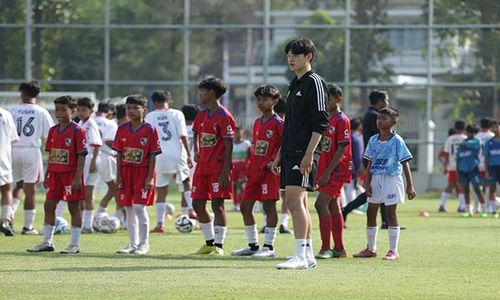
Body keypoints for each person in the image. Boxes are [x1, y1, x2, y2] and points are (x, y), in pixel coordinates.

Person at [273, 38, 329, 270]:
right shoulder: (294, 83)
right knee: (300, 204)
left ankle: (299, 256)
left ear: (309, 57)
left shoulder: (314, 82)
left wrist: (309, 154)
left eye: (296, 54)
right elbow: (290, 124)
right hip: (290, 152)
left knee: (293, 202)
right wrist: (279, 153)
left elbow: (321, 123)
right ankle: (307, 255)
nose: (291, 58)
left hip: (303, 153)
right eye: (288, 55)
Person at [353, 107, 416, 260]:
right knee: (371, 212)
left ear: (394, 121)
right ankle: (371, 248)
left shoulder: (397, 141)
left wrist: (410, 185)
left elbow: (405, 162)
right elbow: (370, 163)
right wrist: (367, 182)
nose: (380, 121)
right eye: (379, 118)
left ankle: (393, 250)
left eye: (384, 118)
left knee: (390, 213)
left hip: (391, 178)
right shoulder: (373, 140)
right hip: (376, 178)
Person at [27, 96, 87, 254]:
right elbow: (51, 154)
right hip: (55, 174)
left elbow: (82, 155)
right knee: (49, 206)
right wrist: (47, 174)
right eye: (57, 110)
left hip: (70, 175)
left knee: (73, 207)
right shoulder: (53, 130)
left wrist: (77, 177)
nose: (59, 113)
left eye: (63, 110)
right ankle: (47, 242)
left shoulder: (77, 130)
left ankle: (74, 245)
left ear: (72, 111)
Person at [231, 84, 283, 258]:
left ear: (275, 101)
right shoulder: (257, 122)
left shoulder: (279, 123)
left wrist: (274, 161)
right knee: (245, 206)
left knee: (269, 207)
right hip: (254, 171)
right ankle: (253, 245)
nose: (261, 103)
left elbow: (285, 145)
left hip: (269, 172)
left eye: (265, 99)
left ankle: (269, 247)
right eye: (258, 99)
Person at [190, 77, 236, 256]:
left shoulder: (224, 116)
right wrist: (196, 149)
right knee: (197, 204)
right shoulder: (201, 114)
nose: (200, 94)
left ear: (211, 93)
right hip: (202, 167)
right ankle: (209, 242)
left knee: (218, 205)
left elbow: (228, 145)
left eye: (202, 91)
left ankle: (219, 245)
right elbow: (195, 133)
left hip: (218, 168)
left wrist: (226, 171)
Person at [114, 95, 161, 255]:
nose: (131, 111)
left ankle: (144, 244)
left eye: (135, 108)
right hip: (126, 173)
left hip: (143, 172)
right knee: (128, 208)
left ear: (144, 110)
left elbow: (153, 154)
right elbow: (119, 154)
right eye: (129, 108)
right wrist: (118, 175)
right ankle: (132, 244)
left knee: (139, 207)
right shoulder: (122, 129)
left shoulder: (150, 129)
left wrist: (149, 177)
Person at [341, 90, 392, 229]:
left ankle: (385, 221)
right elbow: (380, 139)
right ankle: (346, 210)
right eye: (386, 99)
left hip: (374, 158)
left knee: (379, 189)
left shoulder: (371, 115)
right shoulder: (375, 116)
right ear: (380, 101)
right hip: (376, 158)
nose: (387, 102)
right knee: (376, 189)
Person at [145, 90, 193, 233]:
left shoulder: (149, 116)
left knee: (161, 190)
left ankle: (160, 224)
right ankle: (189, 213)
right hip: (177, 154)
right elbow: (183, 136)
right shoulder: (177, 113)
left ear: (154, 103)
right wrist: (189, 155)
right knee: (185, 183)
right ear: (169, 101)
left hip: (159, 156)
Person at [10, 81, 54, 235]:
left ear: (22, 93)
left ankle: (8, 216)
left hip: (12, 150)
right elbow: (51, 135)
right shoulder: (41, 111)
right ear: (37, 94)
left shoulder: (12, 110)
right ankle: (28, 227)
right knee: (31, 189)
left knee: (15, 185)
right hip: (31, 150)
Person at [314, 84, 351, 259]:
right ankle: (339, 248)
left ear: (338, 99)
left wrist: (328, 171)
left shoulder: (342, 120)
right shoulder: (325, 118)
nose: (325, 102)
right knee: (332, 205)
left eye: (328, 99)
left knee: (320, 204)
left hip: (336, 170)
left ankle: (325, 248)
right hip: (327, 168)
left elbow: (342, 148)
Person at [75, 98, 102, 233]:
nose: (81, 112)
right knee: (81, 193)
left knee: (88, 194)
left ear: (91, 111)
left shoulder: (91, 124)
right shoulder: (80, 123)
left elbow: (96, 144)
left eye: (84, 110)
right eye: (79, 109)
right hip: (84, 160)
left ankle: (87, 225)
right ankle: (81, 223)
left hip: (90, 159)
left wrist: (93, 162)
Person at [94, 102, 119, 217]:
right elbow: (109, 141)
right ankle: (101, 211)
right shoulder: (110, 123)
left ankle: (86, 217)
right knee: (114, 187)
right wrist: (121, 150)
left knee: (87, 189)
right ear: (109, 113)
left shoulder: (87, 120)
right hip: (103, 156)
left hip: (86, 156)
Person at [457, 124, 487, 217]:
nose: (468, 134)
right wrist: (458, 171)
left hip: (473, 168)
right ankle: (467, 209)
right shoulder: (462, 143)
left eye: (470, 132)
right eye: (467, 132)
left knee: (477, 188)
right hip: (462, 169)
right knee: (465, 189)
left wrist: (464, 143)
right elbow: (458, 158)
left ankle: (484, 209)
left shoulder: (477, 140)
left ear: (474, 133)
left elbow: (474, 145)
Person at [439, 121, 467, 212]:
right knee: (462, 186)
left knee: (450, 185)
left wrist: (446, 166)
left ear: (455, 128)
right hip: (462, 166)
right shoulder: (465, 138)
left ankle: (442, 205)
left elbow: (446, 153)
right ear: (464, 129)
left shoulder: (450, 139)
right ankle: (461, 206)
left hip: (452, 166)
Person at [274, 96, 292, 234]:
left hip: (270, 164)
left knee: (269, 196)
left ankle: (266, 223)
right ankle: (284, 222)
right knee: (287, 195)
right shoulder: (286, 123)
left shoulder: (269, 121)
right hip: (283, 162)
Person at [0, 107, 19, 236]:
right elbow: (13, 140)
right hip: (3, 158)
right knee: (7, 189)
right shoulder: (6, 114)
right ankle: (5, 220)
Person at [181, 104, 200, 217]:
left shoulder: (181, 129)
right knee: (195, 191)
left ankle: (186, 215)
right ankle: (193, 215)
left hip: (184, 162)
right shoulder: (198, 129)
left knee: (184, 189)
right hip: (197, 162)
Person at [344, 118, 364, 211]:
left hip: (352, 165)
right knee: (352, 185)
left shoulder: (352, 137)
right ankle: (352, 205)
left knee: (351, 186)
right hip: (356, 165)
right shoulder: (358, 137)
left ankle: (351, 205)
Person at [474, 118, 494, 212]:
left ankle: (476, 207)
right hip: (489, 163)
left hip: (478, 163)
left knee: (477, 186)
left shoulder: (477, 136)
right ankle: (488, 207)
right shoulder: (493, 135)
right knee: (490, 186)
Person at [231, 127, 251, 211]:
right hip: (234, 169)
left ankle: (241, 203)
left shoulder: (246, 144)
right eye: (236, 132)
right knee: (234, 186)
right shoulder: (231, 144)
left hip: (243, 169)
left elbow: (250, 156)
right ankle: (236, 204)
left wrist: (248, 167)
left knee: (241, 186)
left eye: (239, 132)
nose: (237, 134)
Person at [484, 120, 500, 218]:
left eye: (496, 127)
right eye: (493, 128)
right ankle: (494, 211)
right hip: (492, 168)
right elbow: (486, 157)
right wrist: (486, 170)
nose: (495, 129)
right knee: (492, 189)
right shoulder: (489, 142)